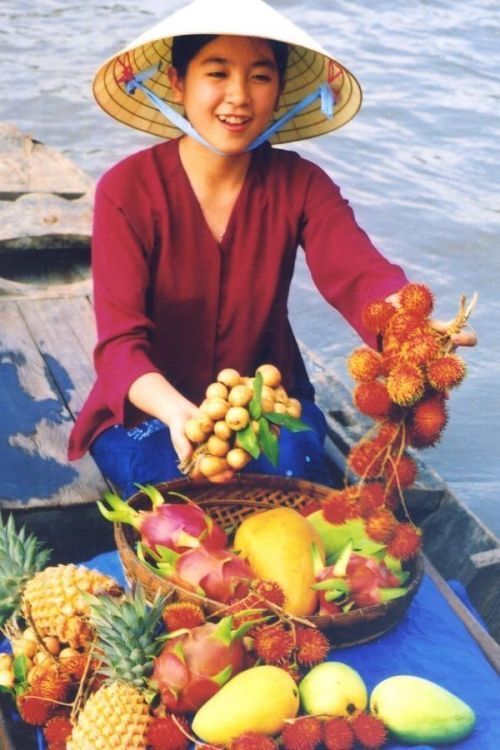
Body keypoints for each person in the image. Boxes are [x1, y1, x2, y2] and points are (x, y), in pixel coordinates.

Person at [68, 0, 476, 498]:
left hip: (268, 400)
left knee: (291, 472)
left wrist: (409, 326)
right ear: (178, 82)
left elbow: (360, 274)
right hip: (150, 410)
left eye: (260, 77)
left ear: (279, 90)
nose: (238, 96)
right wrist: (182, 416)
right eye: (216, 73)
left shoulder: (301, 183)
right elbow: (119, 346)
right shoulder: (126, 190)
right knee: (171, 485)